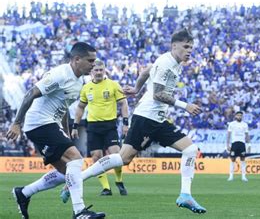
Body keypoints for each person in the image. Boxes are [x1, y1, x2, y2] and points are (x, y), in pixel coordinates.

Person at [69, 29, 206, 214]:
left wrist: (136, 88)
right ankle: (79, 178)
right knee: (123, 159)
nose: (189, 51)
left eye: (191, 47)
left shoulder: (173, 62)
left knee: (190, 149)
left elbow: (146, 71)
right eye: (186, 46)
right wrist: (185, 105)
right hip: (146, 117)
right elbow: (158, 94)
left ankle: (185, 196)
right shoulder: (166, 63)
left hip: (157, 118)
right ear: (174, 46)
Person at [7, 42, 105, 218]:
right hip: (38, 123)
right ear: (76, 59)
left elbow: (64, 108)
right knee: (76, 159)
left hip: (50, 124)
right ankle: (80, 211)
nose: (93, 64)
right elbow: (30, 93)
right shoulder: (60, 74)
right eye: (90, 61)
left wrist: (66, 134)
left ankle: (24, 193)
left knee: (66, 173)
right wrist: (16, 123)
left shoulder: (79, 81)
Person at [62, 59, 129, 201]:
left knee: (116, 155)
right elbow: (80, 107)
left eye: (101, 70)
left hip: (110, 125)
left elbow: (123, 103)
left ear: (104, 70)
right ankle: (106, 188)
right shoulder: (86, 88)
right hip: (93, 126)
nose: (98, 72)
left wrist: (125, 123)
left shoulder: (113, 85)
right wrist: (75, 126)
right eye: (96, 70)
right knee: (96, 157)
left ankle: (119, 180)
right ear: (91, 71)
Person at [226, 111, 250, 182]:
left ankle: (243, 176)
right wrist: (227, 144)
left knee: (243, 160)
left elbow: (247, 135)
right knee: (232, 159)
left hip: (242, 143)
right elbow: (229, 134)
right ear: (235, 116)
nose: (239, 117)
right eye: (238, 115)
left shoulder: (245, 125)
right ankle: (231, 176)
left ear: (242, 117)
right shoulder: (231, 124)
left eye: (240, 115)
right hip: (234, 143)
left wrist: (249, 145)